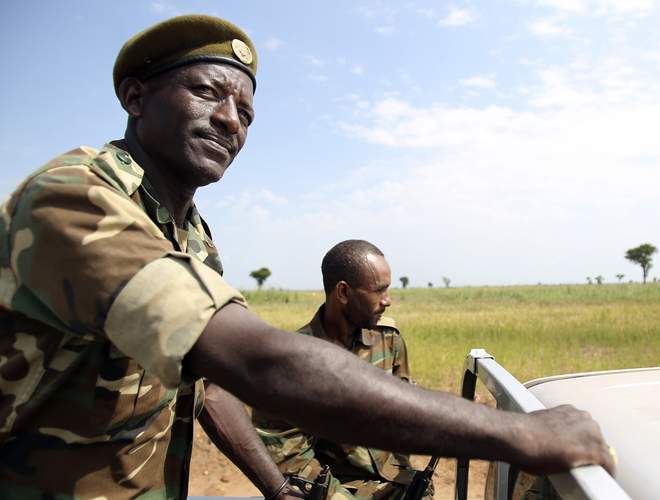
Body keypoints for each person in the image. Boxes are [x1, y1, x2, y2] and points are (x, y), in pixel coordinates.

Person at [0, 14, 614, 500]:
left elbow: (209, 388)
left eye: (245, 112)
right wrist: (522, 433)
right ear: (136, 97)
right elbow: (258, 364)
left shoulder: (192, 235)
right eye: (208, 92)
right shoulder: (76, 198)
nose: (230, 121)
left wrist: (278, 491)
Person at [253, 240, 431, 500]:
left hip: (397, 482)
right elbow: (289, 459)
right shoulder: (291, 364)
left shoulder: (388, 338)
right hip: (336, 488)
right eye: (379, 290)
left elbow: (403, 416)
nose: (388, 301)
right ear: (344, 293)